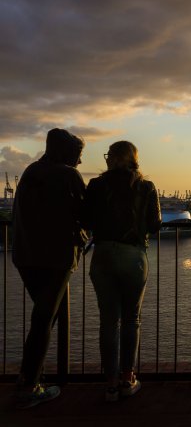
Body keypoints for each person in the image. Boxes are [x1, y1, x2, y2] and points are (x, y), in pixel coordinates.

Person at [12, 128, 87, 409]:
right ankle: (29, 385)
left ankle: (30, 377)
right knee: (44, 319)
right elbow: (87, 213)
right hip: (56, 259)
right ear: (68, 153)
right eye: (77, 155)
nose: (79, 162)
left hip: (25, 255)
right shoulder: (69, 175)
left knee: (43, 316)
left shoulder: (31, 171)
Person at [83, 141, 161, 402]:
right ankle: (128, 378)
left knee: (108, 321)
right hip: (133, 256)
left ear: (113, 158)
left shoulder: (95, 185)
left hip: (103, 254)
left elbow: (86, 220)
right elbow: (155, 224)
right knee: (131, 319)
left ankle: (111, 384)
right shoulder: (146, 187)